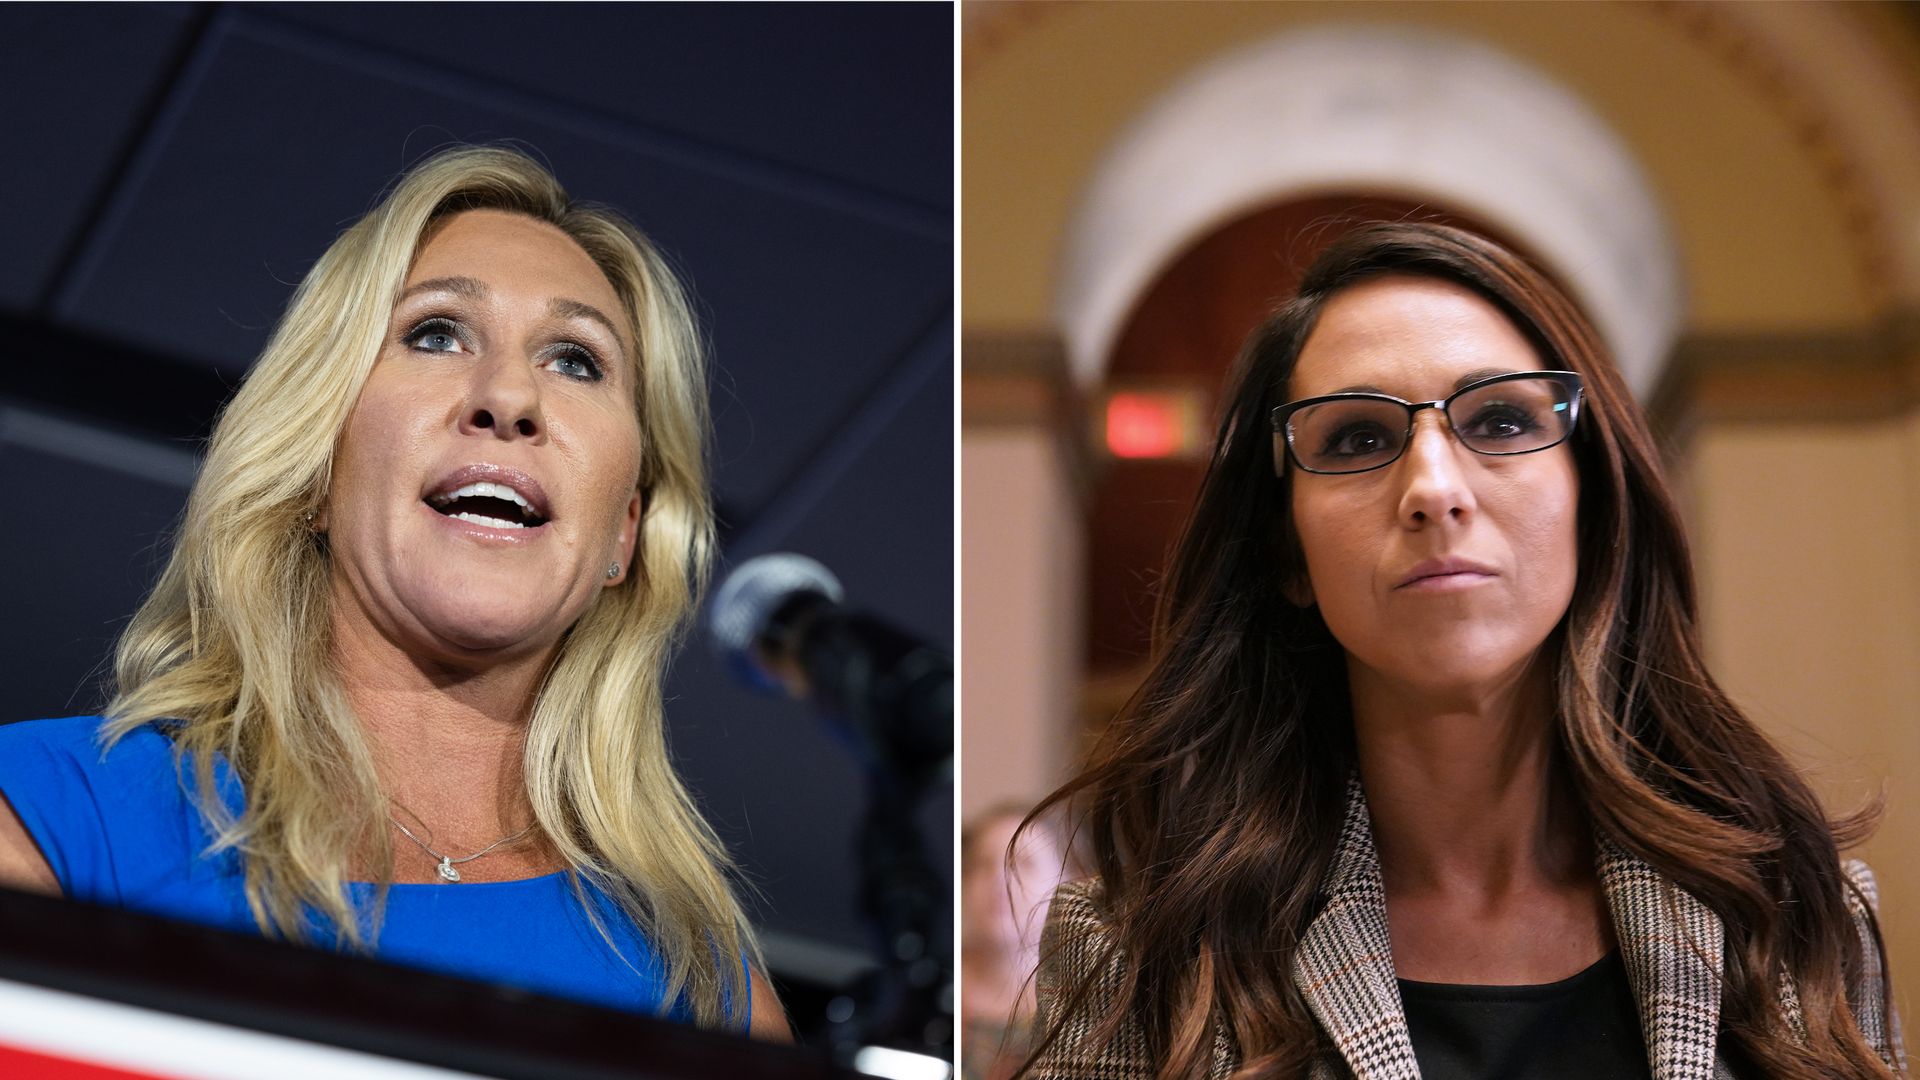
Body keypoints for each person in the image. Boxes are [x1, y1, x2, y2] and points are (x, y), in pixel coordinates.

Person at [1021, 222, 1902, 1079]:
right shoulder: (1142, 952)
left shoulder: (1798, 917)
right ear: (1288, 555)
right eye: (1358, 438)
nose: (1434, 490)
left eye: (1502, 422)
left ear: (1593, 509)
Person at [0, 146, 788, 1038]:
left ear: (623, 534)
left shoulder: (703, 979)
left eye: (576, 360)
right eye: (435, 333)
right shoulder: (49, 824)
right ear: (315, 468)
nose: (508, 396)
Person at [962, 804, 1066, 1080]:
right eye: (983, 865)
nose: (1000, 880)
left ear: (1067, 883)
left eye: (1024, 863)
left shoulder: (1089, 1007)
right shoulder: (933, 982)